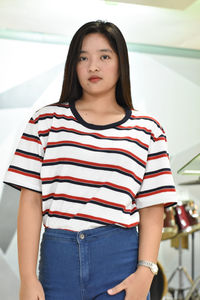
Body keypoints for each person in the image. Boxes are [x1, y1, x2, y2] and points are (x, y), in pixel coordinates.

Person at [3, 20, 177, 300]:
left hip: (120, 265)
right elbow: (31, 201)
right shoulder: (45, 121)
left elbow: (152, 209)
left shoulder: (148, 130)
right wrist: (27, 278)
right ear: (73, 65)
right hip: (57, 265)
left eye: (104, 56)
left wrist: (146, 272)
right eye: (83, 57)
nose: (93, 66)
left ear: (122, 63)